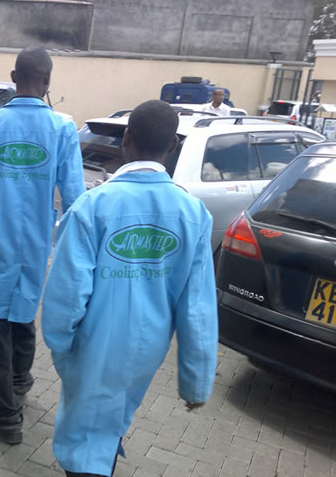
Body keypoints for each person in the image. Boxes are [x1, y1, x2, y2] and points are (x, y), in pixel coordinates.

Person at [42, 100, 218, 477]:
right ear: (172, 146)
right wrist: (196, 381)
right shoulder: (193, 213)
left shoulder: (93, 206)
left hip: (95, 344)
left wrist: (60, 343)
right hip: (148, 349)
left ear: (126, 138)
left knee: (84, 438)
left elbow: (67, 293)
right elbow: (198, 309)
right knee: (113, 418)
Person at [0, 46, 85, 445]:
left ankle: (6, 414)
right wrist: (72, 241)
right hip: (35, 245)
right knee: (23, 313)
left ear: (12, 76)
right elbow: (74, 194)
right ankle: (20, 379)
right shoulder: (62, 129)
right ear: (48, 81)